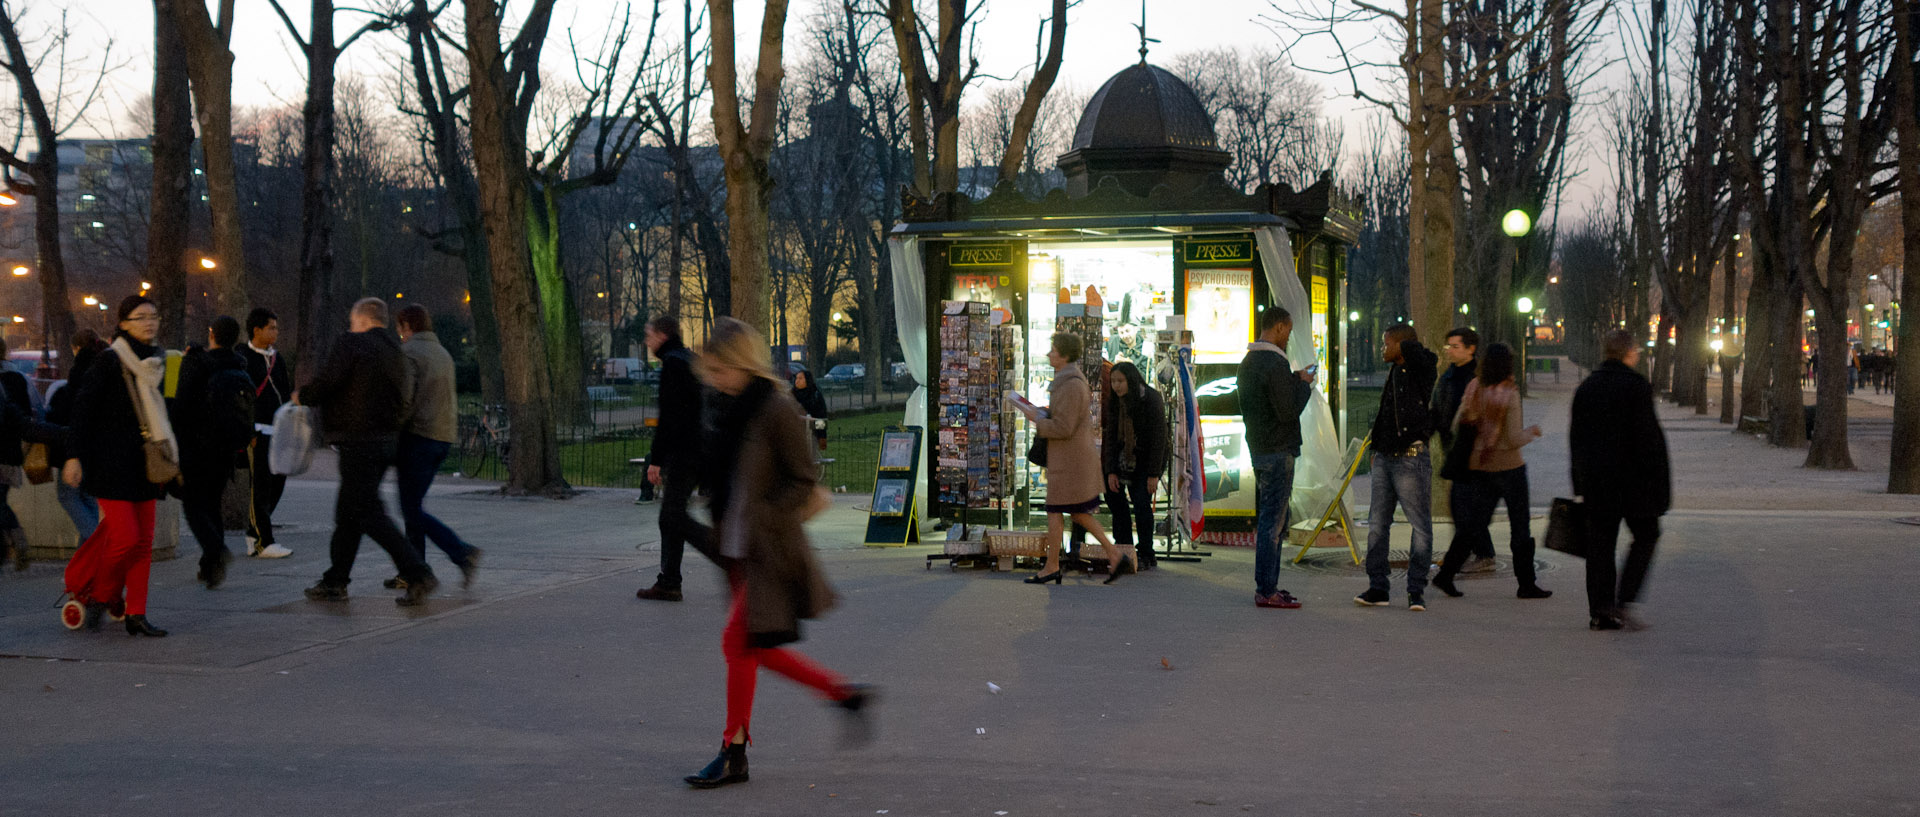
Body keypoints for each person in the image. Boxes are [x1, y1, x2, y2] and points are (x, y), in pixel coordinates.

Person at [682, 317, 872, 789]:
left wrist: (765, 517)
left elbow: (804, 480)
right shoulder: (726, 408)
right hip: (736, 546)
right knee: (754, 647)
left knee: (740, 642)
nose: (713, 379)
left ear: (742, 363)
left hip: (768, 547)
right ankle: (843, 695)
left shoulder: (776, 408)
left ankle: (734, 752)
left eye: (720, 369)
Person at [296, 298, 438, 606]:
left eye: (352, 322)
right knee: (349, 513)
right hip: (386, 441)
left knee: (368, 513)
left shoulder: (353, 343)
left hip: (358, 440)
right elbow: (406, 397)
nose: (350, 328)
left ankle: (418, 572)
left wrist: (303, 396)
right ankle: (335, 580)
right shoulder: (396, 351)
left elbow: (329, 381)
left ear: (362, 321)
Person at [62, 295, 174, 637]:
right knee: (125, 537)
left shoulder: (159, 360)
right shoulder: (108, 361)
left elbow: (169, 408)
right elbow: (81, 410)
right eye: (140, 317)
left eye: (153, 316)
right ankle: (101, 594)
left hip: (147, 462)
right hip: (109, 464)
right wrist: (73, 455)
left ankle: (136, 614)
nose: (149, 323)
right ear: (123, 324)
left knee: (143, 543)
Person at [1432, 343, 1552, 600]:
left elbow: (1457, 425)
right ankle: (1526, 583)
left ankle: (1446, 574)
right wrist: (1532, 432)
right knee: (1520, 527)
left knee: (1473, 526)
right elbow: (1511, 439)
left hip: (1480, 467)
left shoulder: (1474, 387)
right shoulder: (1509, 392)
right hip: (1510, 468)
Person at [1571, 330, 1671, 631]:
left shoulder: (1587, 387)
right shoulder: (1636, 386)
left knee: (1600, 545)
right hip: (1634, 482)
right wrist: (1658, 485)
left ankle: (1601, 611)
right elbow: (1648, 440)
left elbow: (1576, 439)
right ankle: (1624, 600)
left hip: (1597, 483)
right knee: (1646, 534)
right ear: (1628, 353)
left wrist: (1579, 482)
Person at [1014, 333, 1130, 585]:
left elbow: (1064, 427)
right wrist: (1044, 413)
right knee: (1076, 513)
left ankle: (1053, 566)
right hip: (1071, 462)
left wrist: (1039, 420)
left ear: (1064, 355)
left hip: (1070, 464)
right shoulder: (1069, 381)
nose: (1049, 354)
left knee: (1058, 512)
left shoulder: (1070, 384)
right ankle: (1113, 555)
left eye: (1053, 350)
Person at [390, 305, 481, 589]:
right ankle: (414, 570)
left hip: (418, 437)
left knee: (411, 509)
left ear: (406, 325)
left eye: (399, 327)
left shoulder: (409, 354)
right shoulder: (443, 354)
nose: (399, 334)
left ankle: (460, 552)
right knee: (413, 506)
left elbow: (405, 399)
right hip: (442, 437)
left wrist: (392, 429)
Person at [1356, 324, 1438, 611]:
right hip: (1385, 457)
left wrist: (1405, 346)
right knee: (1377, 525)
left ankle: (1416, 589)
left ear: (1401, 346)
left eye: (1385, 343)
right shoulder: (1394, 372)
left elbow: (1424, 358)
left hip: (1411, 456)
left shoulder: (1421, 368)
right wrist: (1375, 447)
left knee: (1420, 525)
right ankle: (1378, 587)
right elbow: (1386, 412)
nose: (1381, 349)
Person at [1238, 306, 1315, 608]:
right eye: (1289, 330)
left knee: (1271, 520)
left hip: (1259, 448)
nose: (1289, 337)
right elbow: (1287, 410)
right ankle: (1266, 589)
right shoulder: (1274, 363)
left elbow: (1267, 398)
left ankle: (1268, 585)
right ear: (1281, 328)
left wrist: (1293, 378)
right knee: (1273, 524)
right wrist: (1305, 386)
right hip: (1278, 450)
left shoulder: (1250, 361)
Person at [172, 316, 255, 589]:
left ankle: (216, 551)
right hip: (226, 448)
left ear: (211, 334)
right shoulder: (240, 366)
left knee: (193, 504)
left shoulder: (196, 362)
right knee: (212, 505)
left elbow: (180, 403)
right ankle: (210, 568)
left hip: (196, 446)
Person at [637, 315, 712, 602]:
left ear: (663, 335)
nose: (647, 341)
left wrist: (656, 460)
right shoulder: (690, 359)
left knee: (672, 516)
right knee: (672, 515)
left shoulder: (672, 364)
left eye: (649, 335)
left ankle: (672, 580)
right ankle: (669, 580)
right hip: (700, 449)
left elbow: (669, 416)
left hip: (683, 452)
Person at [1431, 327, 1496, 572]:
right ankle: (1476, 554)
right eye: (1448, 346)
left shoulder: (1477, 378)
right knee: (1462, 507)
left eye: (1455, 346)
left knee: (1466, 507)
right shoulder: (1448, 375)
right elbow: (1438, 409)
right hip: (1454, 450)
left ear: (1471, 349)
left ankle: (1481, 555)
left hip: (1473, 453)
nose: (1449, 351)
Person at [237, 308, 294, 559]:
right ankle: (263, 541)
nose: (276, 332)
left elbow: (285, 388)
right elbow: (241, 398)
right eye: (271, 327)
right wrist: (247, 429)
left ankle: (255, 531)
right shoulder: (243, 357)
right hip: (257, 430)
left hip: (278, 430)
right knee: (259, 485)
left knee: (278, 481)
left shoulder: (276, 358)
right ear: (256, 330)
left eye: (276, 328)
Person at [1101, 361, 1168, 571]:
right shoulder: (1115, 402)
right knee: (1116, 502)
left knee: (1141, 504)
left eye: (1120, 381)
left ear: (1131, 379)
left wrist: (1153, 474)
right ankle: (1124, 549)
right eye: (1113, 381)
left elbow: (1159, 438)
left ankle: (1147, 552)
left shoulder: (1150, 398)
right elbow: (1111, 435)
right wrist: (1110, 470)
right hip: (1120, 462)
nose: (1116, 386)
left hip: (1145, 462)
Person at [45, 331, 105, 544]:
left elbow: (73, 408)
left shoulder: (81, 369)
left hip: (78, 446)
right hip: (99, 446)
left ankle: (97, 543)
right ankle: (88, 563)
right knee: (87, 499)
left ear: (76, 348)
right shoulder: (105, 364)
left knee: (68, 495)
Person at [0, 336, 32, 570]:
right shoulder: (17, 378)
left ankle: (17, 541)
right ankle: (15, 543)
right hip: (11, 450)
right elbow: (29, 412)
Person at [791, 368, 829, 450]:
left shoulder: (815, 396)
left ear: (807, 380)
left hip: (811, 436)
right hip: (793, 436)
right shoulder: (791, 395)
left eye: (800, 378)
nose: (797, 381)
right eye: (796, 378)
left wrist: (822, 438)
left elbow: (822, 419)